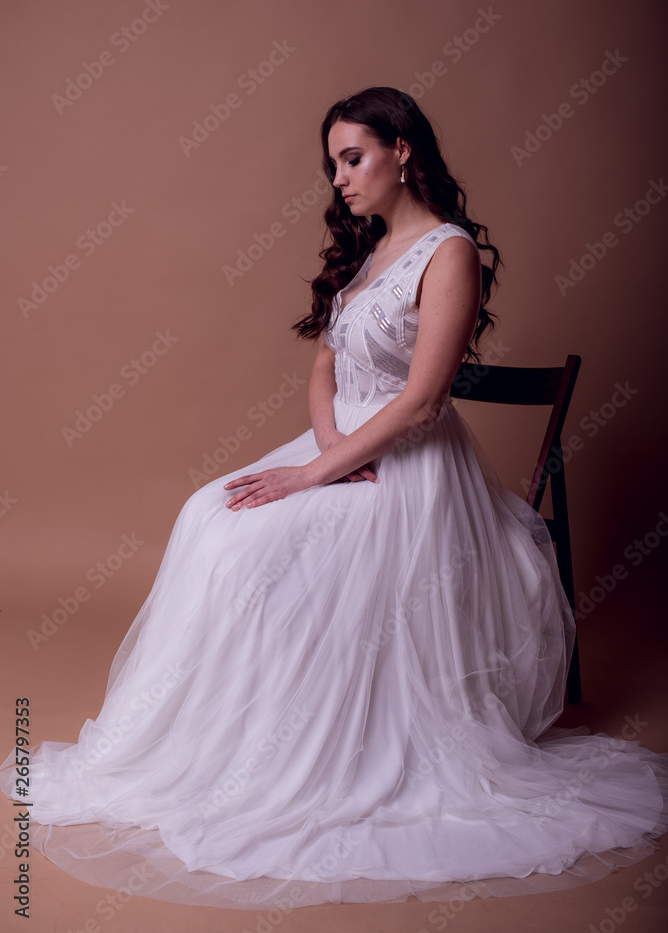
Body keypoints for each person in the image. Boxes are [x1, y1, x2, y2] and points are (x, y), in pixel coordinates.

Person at [2, 86, 667, 913]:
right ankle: (232, 737)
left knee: (260, 540)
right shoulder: (371, 252)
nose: (340, 179)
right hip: (342, 448)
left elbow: (422, 403)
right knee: (211, 516)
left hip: (409, 464)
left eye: (352, 158)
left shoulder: (447, 252)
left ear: (403, 151)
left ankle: (303, 747)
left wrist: (321, 476)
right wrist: (322, 453)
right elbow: (325, 367)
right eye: (334, 164)